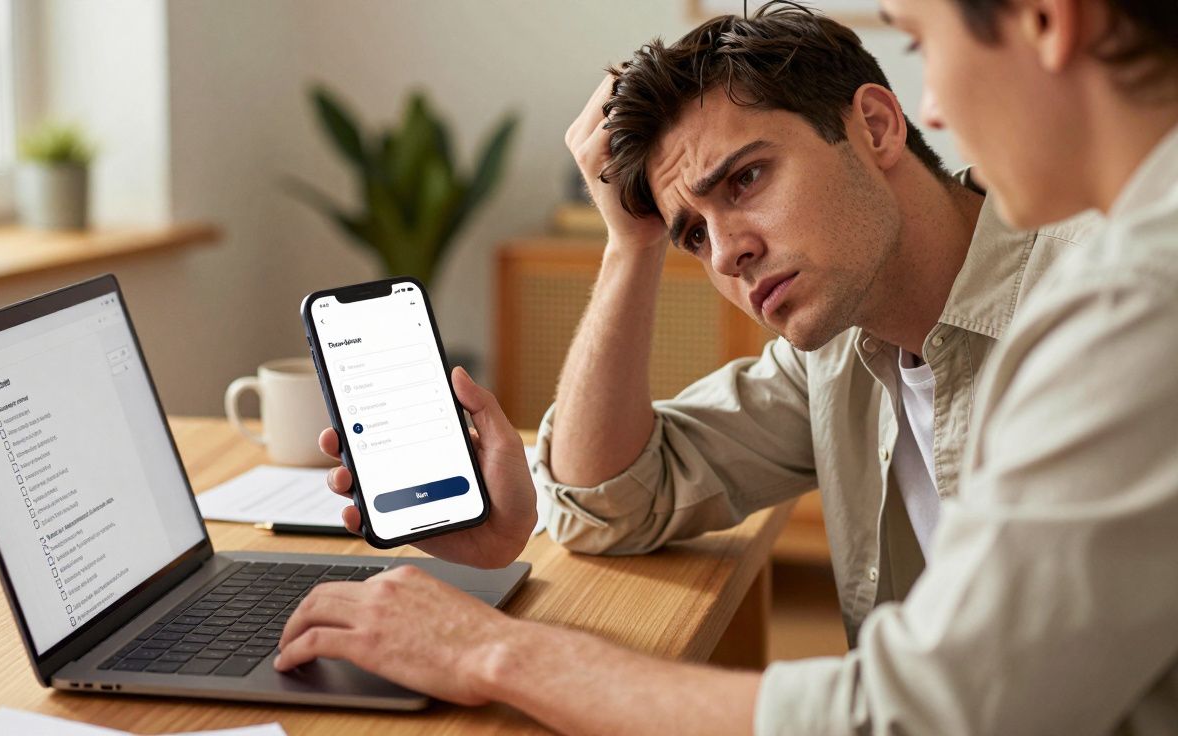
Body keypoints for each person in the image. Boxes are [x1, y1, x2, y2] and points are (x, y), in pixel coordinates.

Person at [274, 0, 1178, 732]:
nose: (728, 255)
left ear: (874, 125)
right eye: (692, 234)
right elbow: (614, 498)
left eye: (745, 180)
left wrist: (488, 652)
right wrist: (629, 244)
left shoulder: (1112, 302)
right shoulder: (841, 354)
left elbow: (923, 715)